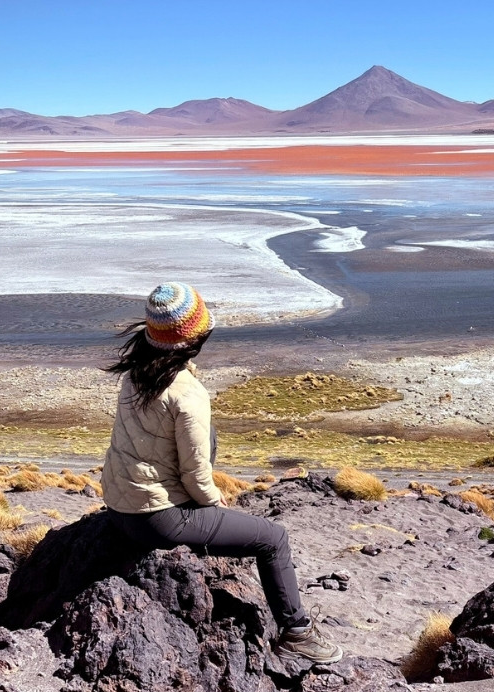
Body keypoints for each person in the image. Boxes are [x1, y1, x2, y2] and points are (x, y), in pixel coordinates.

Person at [101, 281, 342, 664]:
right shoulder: (187, 393)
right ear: (195, 338)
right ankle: (297, 632)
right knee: (273, 539)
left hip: (118, 508)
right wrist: (215, 502)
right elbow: (195, 477)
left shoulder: (135, 373)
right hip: (157, 519)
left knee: (206, 436)